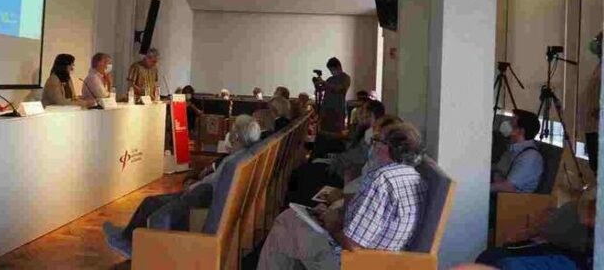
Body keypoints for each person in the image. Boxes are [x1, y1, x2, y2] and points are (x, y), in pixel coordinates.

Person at [258, 123, 427, 270]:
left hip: (354, 262)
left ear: (389, 147)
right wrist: (334, 216)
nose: (373, 147)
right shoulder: (415, 177)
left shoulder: (382, 180)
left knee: (285, 224)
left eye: (376, 141)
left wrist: (332, 223)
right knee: (292, 221)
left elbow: (353, 244)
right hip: (385, 258)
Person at [102, 115, 262, 258]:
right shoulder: (240, 157)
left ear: (236, 136)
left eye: (232, 130)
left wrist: (193, 185)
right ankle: (128, 237)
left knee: (151, 204)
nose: (229, 133)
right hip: (202, 195)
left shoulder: (231, 162)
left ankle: (128, 243)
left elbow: (209, 185)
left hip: (199, 199)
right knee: (151, 203)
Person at [476, 188, 596, 269]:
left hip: (579, 260)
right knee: (490, 257)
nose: (585, 221)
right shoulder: (572, 212)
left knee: (507, 264)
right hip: (567, 250)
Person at [491, 110, 544, 193]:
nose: (507, 125)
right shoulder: (513, 149)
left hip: (511, 199)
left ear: (521, 131)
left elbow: (508, 187)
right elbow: (499, 172)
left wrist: (481, 189)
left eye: (511, 123)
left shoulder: (530, 157)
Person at [581, 31, 601, 174]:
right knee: (594, 165)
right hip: (592, 125)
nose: (595, 44)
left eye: (599, 41)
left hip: (598, 126)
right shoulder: (600, 65)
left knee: (598, 165)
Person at [316, 57, 351, 135]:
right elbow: (322, 89)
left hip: (337, 110)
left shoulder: (345, 78)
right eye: (330, 70)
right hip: (326, 110)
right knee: (324, 133)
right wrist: (318, 84)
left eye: (332, 70)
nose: (331, 72)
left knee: (336, 134)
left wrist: (324, 83)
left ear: (338, 67)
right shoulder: (330, 79)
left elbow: (339, 88)